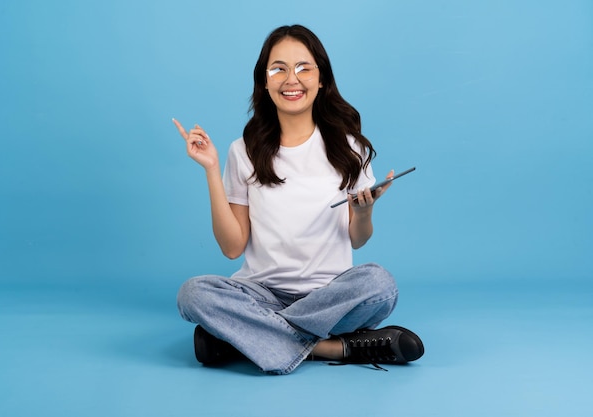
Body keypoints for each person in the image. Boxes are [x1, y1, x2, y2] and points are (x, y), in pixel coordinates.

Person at [173, 24, 423, 375]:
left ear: (321, 79)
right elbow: (232, 248)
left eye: (304, 68)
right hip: (260, 294)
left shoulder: (351, 148)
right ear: (264, 81)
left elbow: (358, 239)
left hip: (330, 295)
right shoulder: (242, 151)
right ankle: (334, 348)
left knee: (380, 285)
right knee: (193, 294)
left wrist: (363, 213)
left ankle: (241, 338)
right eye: (279, 69)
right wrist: (211, 169)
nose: (292, 79)